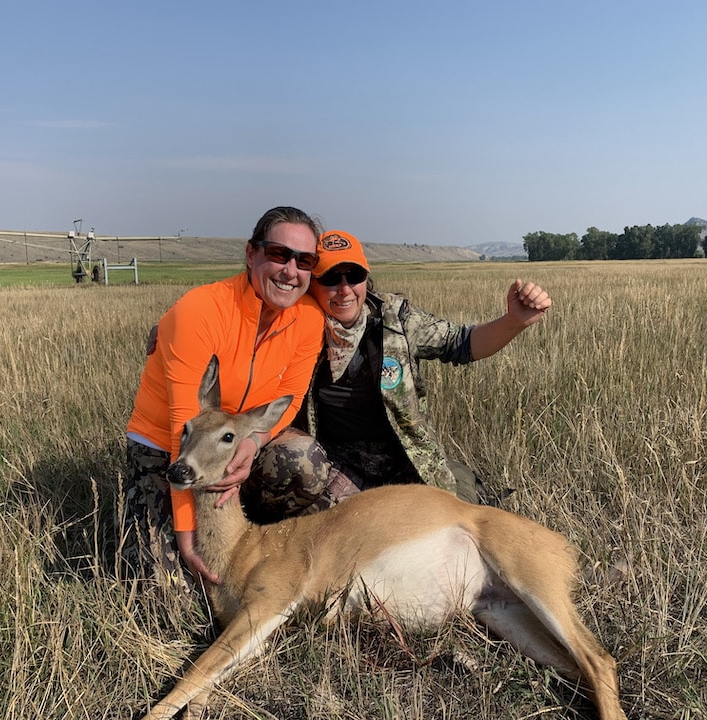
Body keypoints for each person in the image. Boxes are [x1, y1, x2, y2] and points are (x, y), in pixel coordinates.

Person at [122, 206, 329, 588]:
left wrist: (255, 439)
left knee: (305, 462)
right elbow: (183, 430)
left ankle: (252, 526)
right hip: (171, 447)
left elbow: (292, 398)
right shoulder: (200, 311)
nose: (291, 271)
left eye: (305, 261)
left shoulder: (310, 320)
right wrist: (187, 538)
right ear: (251, 254)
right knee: (167, 595)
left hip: (236, 440)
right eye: (279, 255)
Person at [292, 229, 552, 505]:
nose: (344, 289)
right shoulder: (295, 331)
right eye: (331, 278)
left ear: (366, 279)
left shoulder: (397, 320)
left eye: (354, 276)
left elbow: (461, 343)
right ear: (311, 284)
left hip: (405, 459)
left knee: (452, 518)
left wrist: (514, 322)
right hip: (339, 467)